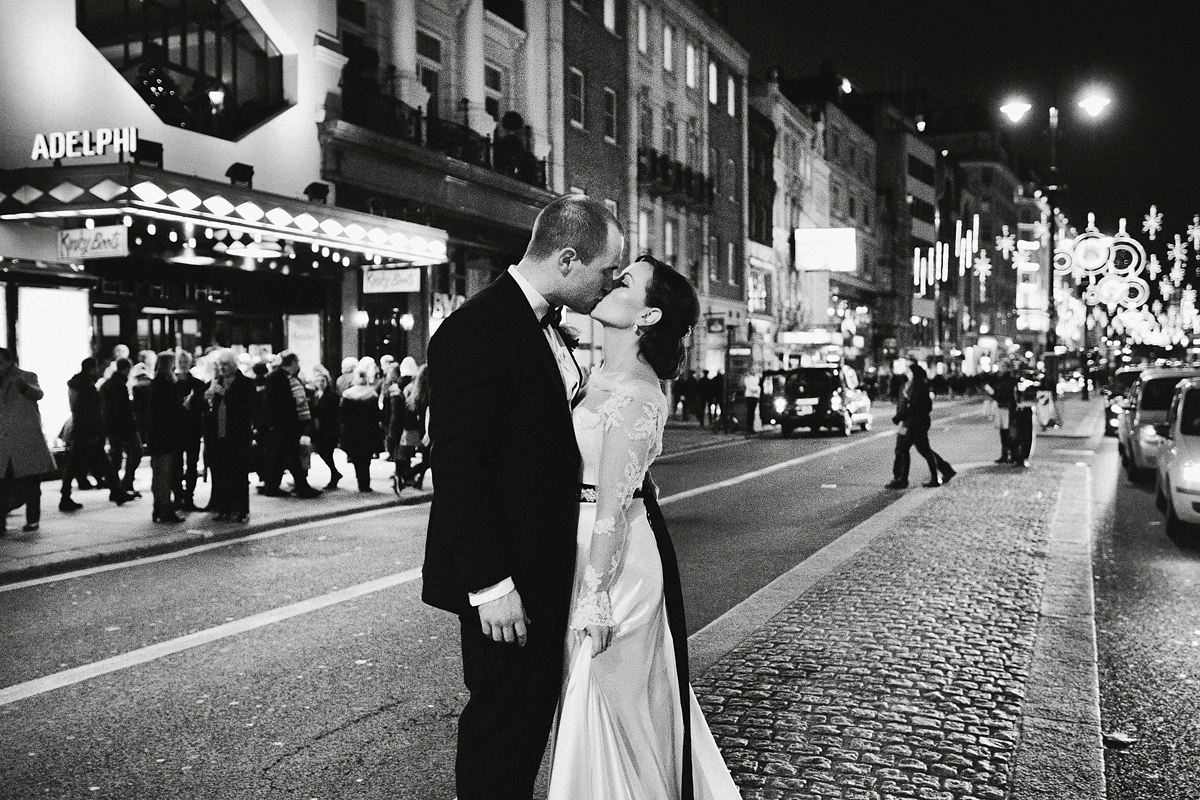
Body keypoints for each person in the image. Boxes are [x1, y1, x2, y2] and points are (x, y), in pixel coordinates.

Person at [422, 194, 625, 800]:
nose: (611, 284)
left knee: (530, 720)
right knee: (502, 730)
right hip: (508, 576)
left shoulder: (546, 324)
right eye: (605, 271)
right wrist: (491, 586)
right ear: (567, 260)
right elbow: (460, 469)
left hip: (544, 562)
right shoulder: (475, 330)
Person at [547, 254, 740, 799]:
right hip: (581, 548)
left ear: (648, 317)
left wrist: (594, 593)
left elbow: (612, 504)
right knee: (587, 697)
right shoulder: (592, 376)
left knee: (605, 702)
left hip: (615, 564)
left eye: (625, 280)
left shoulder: (636, 393)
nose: (611, 281)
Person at [60, 358, 135, 512]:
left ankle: (115, 491)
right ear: (92, 368)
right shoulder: (87, 387)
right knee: (92, 463)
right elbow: (90, 411)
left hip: (80, 430)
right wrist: (94, 431)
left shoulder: (76, 385)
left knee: (79, 464)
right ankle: (115, 491)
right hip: (88, 432)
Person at [0, 348, 56, 534]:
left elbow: (38, 393)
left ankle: (33, 520)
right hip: (4, 441)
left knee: (31, 483)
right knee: (2, 485)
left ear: (10, 362)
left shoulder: (26, 377)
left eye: (1, 362)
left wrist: (23, 387)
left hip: (25, 439)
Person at [257, 351, 320, 498]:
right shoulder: (277, 377)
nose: (298, 365)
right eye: (297, 362)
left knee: (282, 457)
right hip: (283, 424)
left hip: (289, 424)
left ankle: (273, 486)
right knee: (291, 456)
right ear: (292, 363)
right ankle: (301, 487)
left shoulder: (289, 377)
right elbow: (274, 401)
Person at [203, 349, 256, 523]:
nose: (222, 368)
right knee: (220, 474)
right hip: (218, 435)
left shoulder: (246, 383)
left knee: (238, 474)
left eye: (226, 364)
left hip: (237, 435)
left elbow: (247, 408)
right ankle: (222, 508)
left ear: (234, 364)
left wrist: (226, 394)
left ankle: (240, 509)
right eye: (220, 365)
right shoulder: (215, 382)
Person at [886, 364, 955, 490]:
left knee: (908, 449)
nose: (907, 373)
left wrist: (900, 416)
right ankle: (943, 471)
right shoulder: (910, 385)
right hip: (909, 422)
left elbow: (914, 407)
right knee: (916, 449)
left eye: (909, 371)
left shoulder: (918, 387)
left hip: (914, 423)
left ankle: (903, 479)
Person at [146, 351, 185, 523]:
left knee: (158, 473)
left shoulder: (155, 384)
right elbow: (173, 410)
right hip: (167, 434)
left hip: (156, 434)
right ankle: (165, 508)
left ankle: (158, 508)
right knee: (165, 473)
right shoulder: (167, 384)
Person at [98, 357, 142, 497]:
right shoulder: (120, 385)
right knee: (135, 452)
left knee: (116, 456)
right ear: (127, 369)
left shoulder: (107, 384)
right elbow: (123, 410)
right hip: (123, 426)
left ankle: (116, 487)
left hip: (110, 426)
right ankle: (125, 483)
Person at [339, 365, 383, 492]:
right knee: (366, 458)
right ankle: (365, 483)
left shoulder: (347, 395)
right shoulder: (372, 394)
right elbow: (376, 415)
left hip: (352, 431)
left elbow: (343, 415)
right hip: (368, 431)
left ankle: (360, 479)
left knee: (356, 458)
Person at [174, 351, 207, 511]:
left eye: (185, 360)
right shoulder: (173, 383)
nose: (183, 363)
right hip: (180, 428)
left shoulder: (197, 384)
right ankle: (180, 496)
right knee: (178, 464)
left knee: (191, 464)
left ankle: (188, 497)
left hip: (191, 428)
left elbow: (202, 406)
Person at [309, 365, 343, 490]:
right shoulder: (315, 394)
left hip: (329, 428)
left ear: (327, 382)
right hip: (319, 428)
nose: (320, 383)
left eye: (322, 381)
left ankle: (335, 474)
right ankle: (335, 474)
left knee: (326, 452)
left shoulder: (332, 395)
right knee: (323, 452)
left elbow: (331, 412)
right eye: (317, 381)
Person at [398, 362, 429, 490]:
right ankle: (405, 475)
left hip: (422, 429)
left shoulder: (419, 393)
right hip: (428, 429)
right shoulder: (429, 393)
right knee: (428, 460)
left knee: (427, 458)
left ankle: (418, 480)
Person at [985, 360, 1019, 463]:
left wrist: (992, 392)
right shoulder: (1000, 378)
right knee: (1004, 432)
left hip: (1007, 407)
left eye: (1003, 366)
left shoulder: (1009, 379)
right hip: (1002, 407)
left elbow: (1004, 394)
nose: (1001, 368)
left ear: (1007, 368)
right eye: (1000, 366)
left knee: (1008, 432)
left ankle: (1011, 455)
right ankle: (1005, 454)